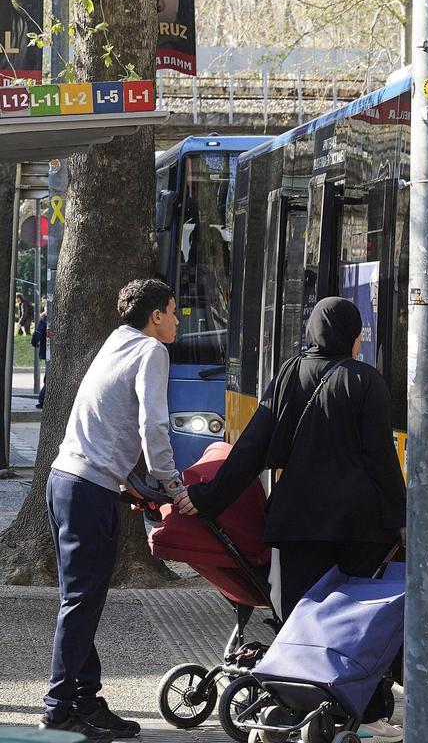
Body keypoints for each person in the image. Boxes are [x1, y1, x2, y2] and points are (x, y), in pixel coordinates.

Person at [174, 297, 407, 742]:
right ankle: (368, 711)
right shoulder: (366, 382)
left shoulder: (287, 374)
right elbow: (381, 459)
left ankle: (284, 711)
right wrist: (401, 517)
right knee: (357, 622)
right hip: (358, 526)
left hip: (296, 518)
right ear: (352, 336)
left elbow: (251, 449)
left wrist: (206, 497)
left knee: (300, 620)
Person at [40, 279, 185, 742]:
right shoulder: (150, 351)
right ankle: (59, 709)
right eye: (173, 311)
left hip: (65, 480)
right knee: (80, 603)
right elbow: (153, 426)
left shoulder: (116, 343)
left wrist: (130, 483)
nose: (177, 320)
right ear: (155, 315)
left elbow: (102, 419)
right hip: (86, 489)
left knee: (79, 600)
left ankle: (84, 700)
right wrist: (172, 484)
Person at [31, 306, 48, 407]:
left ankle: (43, 399)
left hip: (47, 353)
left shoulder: (44, 321)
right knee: (49, 376)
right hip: (54, 353)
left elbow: (37, 335)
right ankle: (43, 399)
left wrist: (34, 343)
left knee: (49, 376)